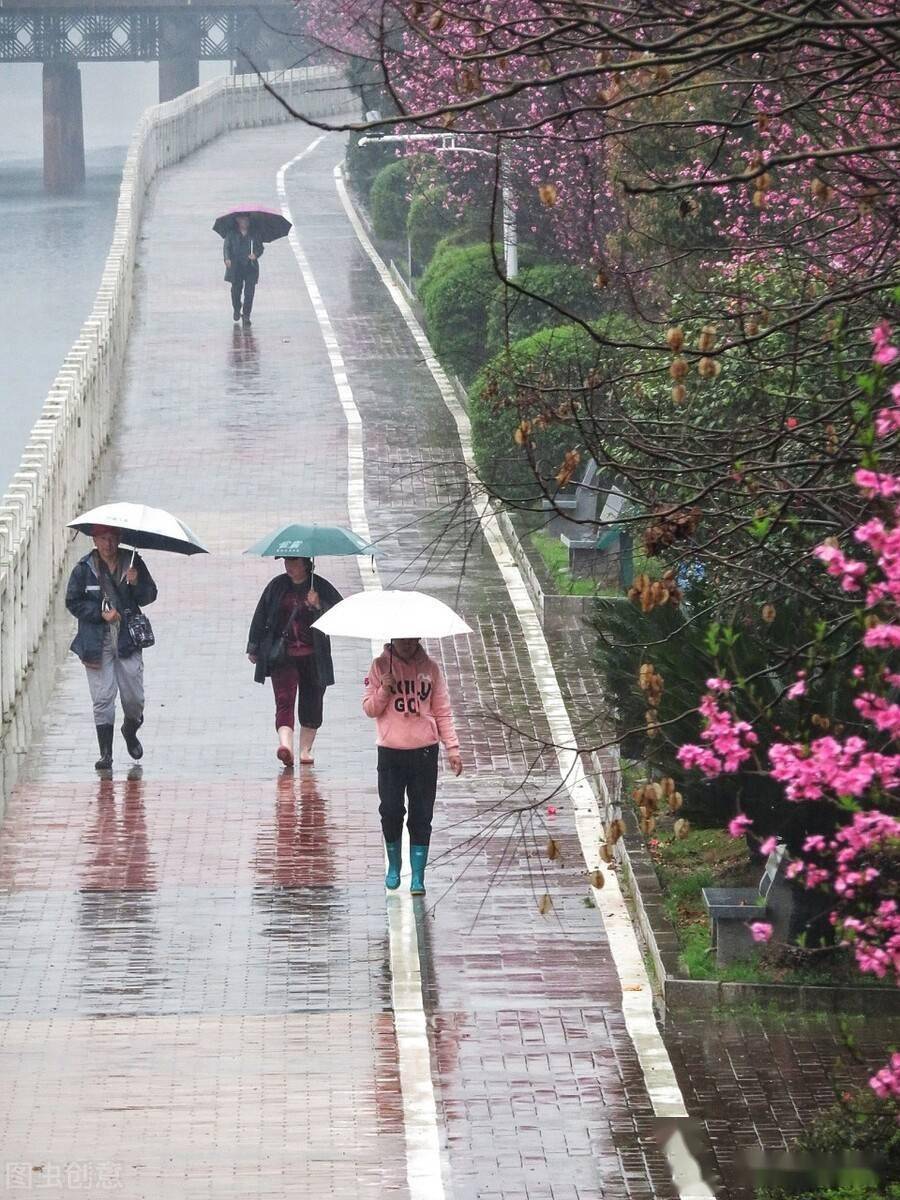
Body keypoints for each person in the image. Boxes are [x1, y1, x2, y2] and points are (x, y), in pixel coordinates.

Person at [363, 638, 463, 895]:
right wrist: (384, 689)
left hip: (425, 752)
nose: (407, 644)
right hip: (390, 752)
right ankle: (394, 866)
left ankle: (418, 876)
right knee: (391, 810)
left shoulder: (431, 669)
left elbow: (442, 709)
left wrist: (452, 747)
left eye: (412, 639)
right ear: (393, 639)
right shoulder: (379, 667)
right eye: (402, 640)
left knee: (421, 815)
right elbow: (370, 708)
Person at [65, 525, 158, 771]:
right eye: (103, 539)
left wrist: (137, 582)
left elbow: (149, 596)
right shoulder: (83, 570)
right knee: (102, 697)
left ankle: (130, 729)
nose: (108, 544)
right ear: (94, 540)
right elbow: (72, 602)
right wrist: (99, 614)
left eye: (112, 538)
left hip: (127, 639)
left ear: (119, 539)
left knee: (134, 699)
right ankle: (105, 754)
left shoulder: (132, 561)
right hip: (96, 642)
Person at [246, 557, 342, 767]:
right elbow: (260, 616)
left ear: (306, 563)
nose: (289, 566)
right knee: (284, 699)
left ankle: (305, 750)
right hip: (283, 656)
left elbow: (340, 613)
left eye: (294, 562)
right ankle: (285, 746)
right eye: (287, 561)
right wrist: (253, 647)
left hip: (314, 656)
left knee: (313, 701)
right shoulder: (276, 586)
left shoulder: (320, 586)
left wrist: (318, 605)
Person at [223, 214, 264, 326]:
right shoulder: (231, 233)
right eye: (242, 220)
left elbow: (260, 247)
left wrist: (255, 255)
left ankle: (246, 315)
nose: (245, 223)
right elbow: (226, 247)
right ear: (238, 221)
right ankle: (237, 308)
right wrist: (227, 259)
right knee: (235, 291)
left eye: (247, 220)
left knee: (249, 293)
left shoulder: (254, 233)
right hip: (236, 267)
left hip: (250, 267)